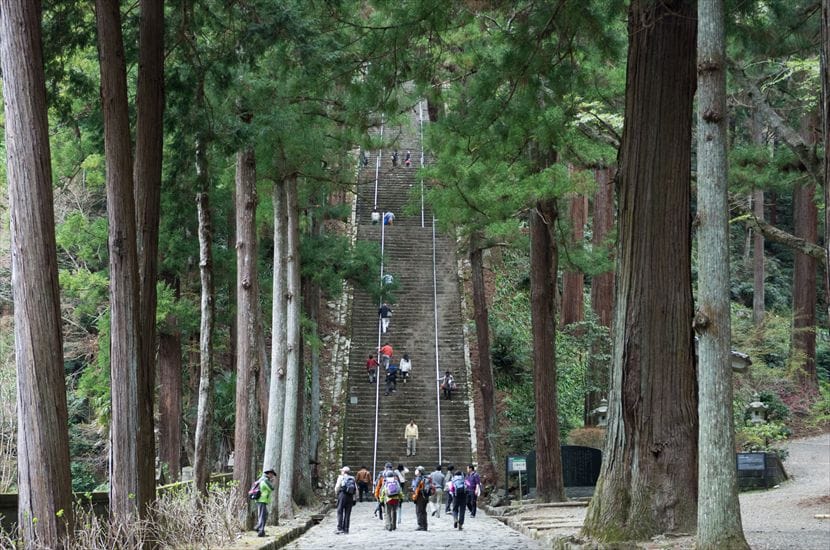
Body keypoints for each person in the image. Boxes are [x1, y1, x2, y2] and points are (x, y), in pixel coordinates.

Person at [374, 462, 400, 530]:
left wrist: (377, 496)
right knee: (394, 511)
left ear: (384, 467)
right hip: (396, 496)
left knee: (386, 512)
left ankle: (387, 525)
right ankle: (394, 525)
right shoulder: (395, 475)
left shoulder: (382, 475)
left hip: (386, 496)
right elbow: (399, 487)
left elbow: (378, 486)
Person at [253, 469, 277, 537]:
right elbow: (271, 488)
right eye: (272, 474)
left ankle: (258, 527)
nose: (272, 476)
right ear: (269, 473)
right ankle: (261, 531)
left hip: (261, 500)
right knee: (262, 515)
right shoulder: (265, 480)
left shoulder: (262, 479)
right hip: (262, 500)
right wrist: (273, 482)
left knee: (264, 514)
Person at [334, 466, 356, 534]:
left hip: (342, 495)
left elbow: (337, 487)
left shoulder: (341, 477)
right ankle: (346, 529)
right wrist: (354, 498)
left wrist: (337, 493)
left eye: (342, 471)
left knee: (340, 511)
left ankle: (339, 528)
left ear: (343, 471)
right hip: (350, 496)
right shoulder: (352, 478)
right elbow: (356, 489)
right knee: (347, 513)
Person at [411, 466, 432, 531]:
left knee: (419, 511)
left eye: (417, 470)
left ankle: (420, 525)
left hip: (420, 496)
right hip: (425, 496)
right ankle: (425, 525)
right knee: (423, 511)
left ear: (419, 472)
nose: (416, 471)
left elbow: (415, 487)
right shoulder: (426, 477)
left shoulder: (418, 478)